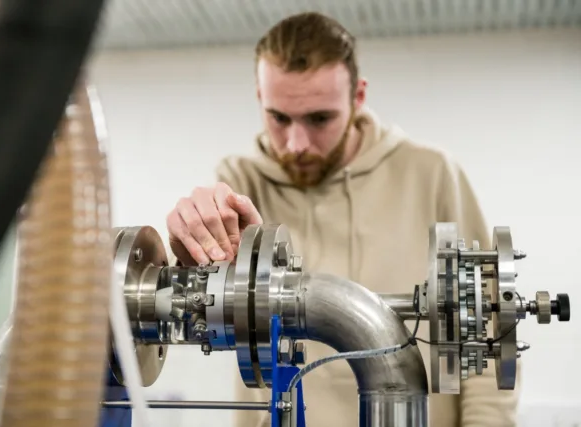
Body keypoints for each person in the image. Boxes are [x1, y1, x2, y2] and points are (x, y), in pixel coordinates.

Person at [166, 11, 519, 427]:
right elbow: (197, 310)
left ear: (358, 97)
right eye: (279, 117)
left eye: (319, 119)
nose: (297, 144)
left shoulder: (431, 173)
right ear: (260, 97)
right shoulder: (242, 184)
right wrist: (191, 250)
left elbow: (485, 325)